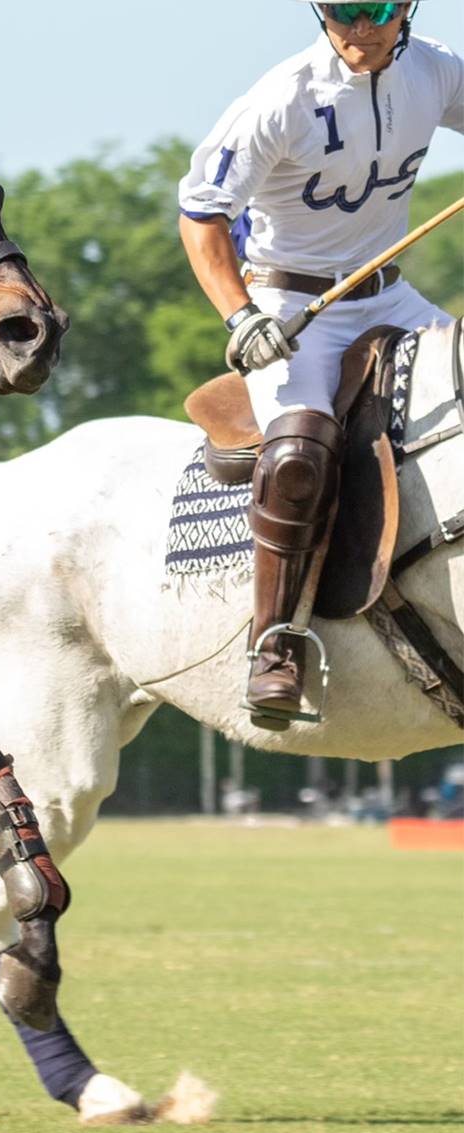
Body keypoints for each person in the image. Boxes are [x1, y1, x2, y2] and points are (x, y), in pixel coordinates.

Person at [177, 1, 463, 723]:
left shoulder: (433, 71)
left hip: (390, 295)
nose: (360, 28)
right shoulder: (283, 98)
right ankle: (276, 643)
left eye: (378, 10)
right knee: (299, 451)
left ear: (407, 10)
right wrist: (240, 316)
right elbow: (202, 213)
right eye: (342, 10)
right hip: (290, 304)